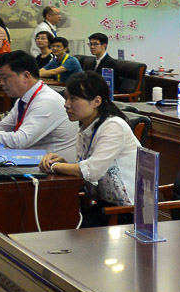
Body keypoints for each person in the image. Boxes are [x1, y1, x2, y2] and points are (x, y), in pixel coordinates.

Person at [38, 71, 138, 224]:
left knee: (61, 224)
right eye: (66, 97)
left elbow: (92, 171)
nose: (66, 104)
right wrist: (63, 162)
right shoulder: (86, 127)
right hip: (103, 206)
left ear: (96, 101)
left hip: (126, 212)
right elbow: (87, 169)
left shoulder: (113, 126)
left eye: (73, 99)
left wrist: (55, 166)